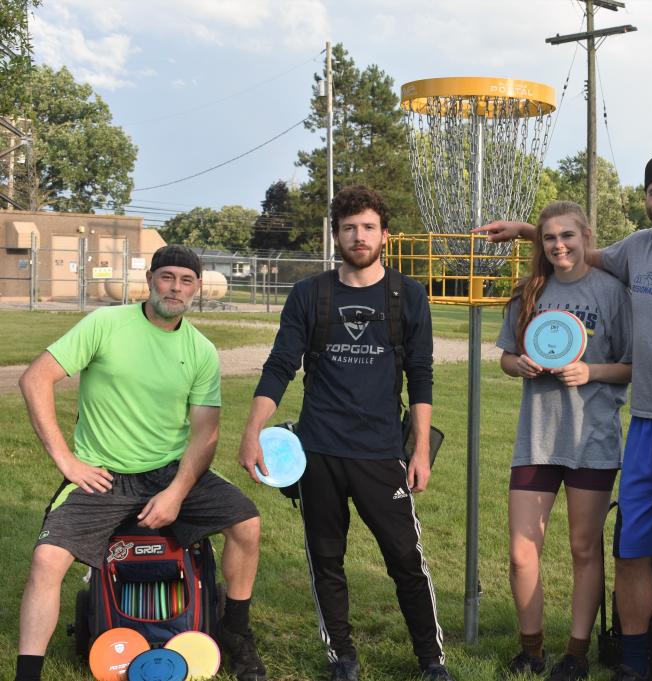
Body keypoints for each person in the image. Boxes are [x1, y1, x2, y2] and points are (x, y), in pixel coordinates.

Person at [478, 152, 652, 681]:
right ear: (647, 198)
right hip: (647, 425)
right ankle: (631, 663)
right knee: (632, 550)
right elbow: (577, 251)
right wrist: (524, 231)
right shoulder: (637, 250)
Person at [14, 245, 267, 681]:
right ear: (150, 279)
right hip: (102, 473)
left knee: (247, 524)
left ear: (197, 289)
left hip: (169, 472)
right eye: (167, 277)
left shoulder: (201, 350)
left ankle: (236, 634)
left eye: (186, 281)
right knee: (47, 559)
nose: (176, 287)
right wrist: (67, 461)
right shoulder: (105, 324)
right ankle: (27, 672)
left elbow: (206, 434)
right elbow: (35, 378)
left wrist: (176, 492)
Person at [238, 185, 451, 681]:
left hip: (380, 453)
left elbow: (421, 374)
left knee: (405, 558)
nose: (359, 236)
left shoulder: (407, 295)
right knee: (326, 558)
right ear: (335, 234)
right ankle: (343, 658)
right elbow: (280, 366)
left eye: (369, 227)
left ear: (384, 234)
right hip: (319, 452)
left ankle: (431, 660)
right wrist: (252, 431)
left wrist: (420, 449)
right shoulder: (311, 294)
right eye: (349, 227)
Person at [496, 201, 632, 681]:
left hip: (591, 438)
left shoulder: (613, 292)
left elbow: (633, 365)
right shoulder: (531, 291)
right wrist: (522, 365)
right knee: (521, 549)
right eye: (550, 238)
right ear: (541, 242)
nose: (559, 246)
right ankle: (530, 650)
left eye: (567, 236)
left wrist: (590, 370)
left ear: (586, 235)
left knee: (582, 549)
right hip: (536, 438)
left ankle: (576, 653)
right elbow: (507, 358)